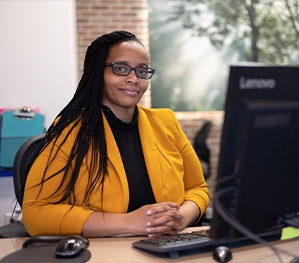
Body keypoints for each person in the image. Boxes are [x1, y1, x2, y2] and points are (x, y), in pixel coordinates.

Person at [22, 30, 209, 237]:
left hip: (167, 246)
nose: (133, 78)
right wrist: (129, 223)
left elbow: (198, 188)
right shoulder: (70, 131)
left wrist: (180, 218)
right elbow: (35, 212)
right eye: (120, 68)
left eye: (142, 70)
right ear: (97, 73)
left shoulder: (166, 123)